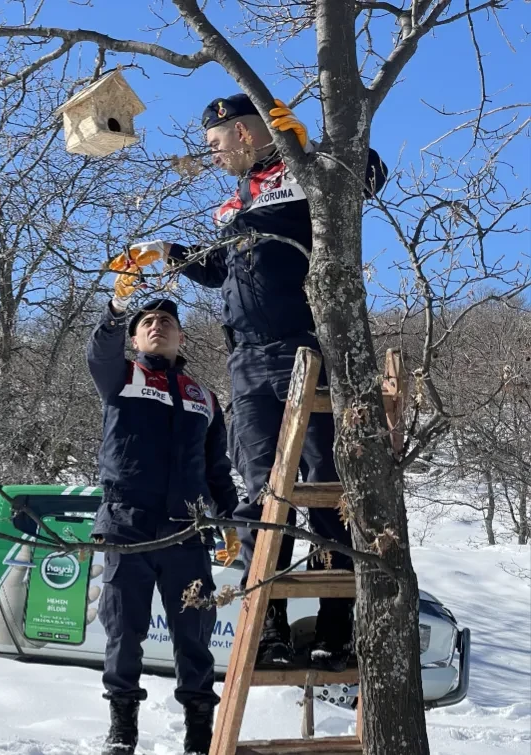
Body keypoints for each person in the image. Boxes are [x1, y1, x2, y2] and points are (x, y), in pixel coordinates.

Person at [125, 94, 388, 673]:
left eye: (216, 146)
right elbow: (221, 269)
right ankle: (266, 628)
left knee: (324, 485)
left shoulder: (302, 176)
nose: (211, 156)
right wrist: (168, 253)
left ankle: (335, 628)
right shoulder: (233, 205)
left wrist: (310, 149)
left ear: (246, 135)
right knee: (261, 493)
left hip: (309, 349)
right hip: (247, 361)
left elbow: (366, 177)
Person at [86, 262, 241, 755]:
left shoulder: (205, 398)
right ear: (135, 339)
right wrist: (116, 310)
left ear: (181, 339)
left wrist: (230, 519)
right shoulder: (122, 376)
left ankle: (199, 732)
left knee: (193, 633)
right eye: (147, 322)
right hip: (127, 524)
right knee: (124, 630)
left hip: (186, 531)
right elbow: (99, 351)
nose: (158, 325)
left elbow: (217, 467)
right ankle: (122, 728)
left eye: (168, 322)